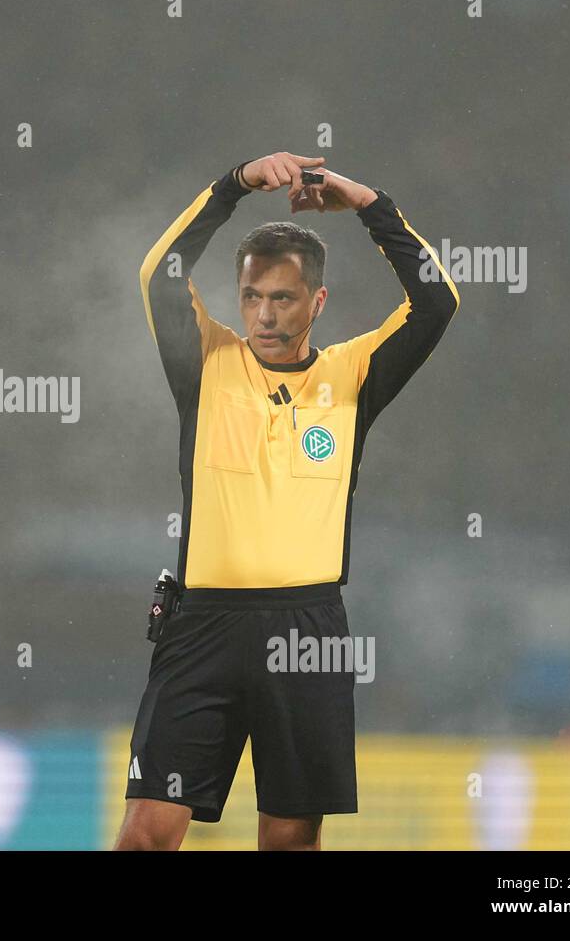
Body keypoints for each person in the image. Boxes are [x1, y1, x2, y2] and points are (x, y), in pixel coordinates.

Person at [119, 150, 459, 850]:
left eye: (283, 298)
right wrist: (233, 184)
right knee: (147, 834)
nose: (264, 315)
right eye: (251, 296)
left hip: (307, 630)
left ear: (318, 301)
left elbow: (437, 299)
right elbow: (160, 273)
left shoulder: (352, 374)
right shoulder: (206, 362)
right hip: (202, 628)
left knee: (289, 841)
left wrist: (368, 203)